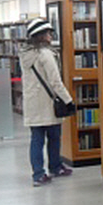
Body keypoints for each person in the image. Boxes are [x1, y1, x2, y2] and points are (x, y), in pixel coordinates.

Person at [19, 18, 74, 187]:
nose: (51, 36)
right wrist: (68, 100)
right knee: (54, 137)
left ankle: (38, 174)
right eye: (48, 33)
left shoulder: (25, 54)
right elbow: (55, 81)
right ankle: (55, 167)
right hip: (48, 103)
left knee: (36, 139)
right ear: (41, 35)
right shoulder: (45, 55)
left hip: (32, 102)